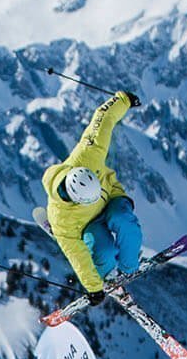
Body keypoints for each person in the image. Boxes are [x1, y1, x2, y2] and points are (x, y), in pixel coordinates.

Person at [40, 89, 145, 305]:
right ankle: (109, 274)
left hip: (111, 196)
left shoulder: (86, 157)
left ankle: (128, 266)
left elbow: (102, 121)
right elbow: (77, 256)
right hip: (88, 223)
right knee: (103, 253)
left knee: (124, 221)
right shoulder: (61, 218)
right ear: (75, 199)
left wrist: (122, 100)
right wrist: (93, 287)